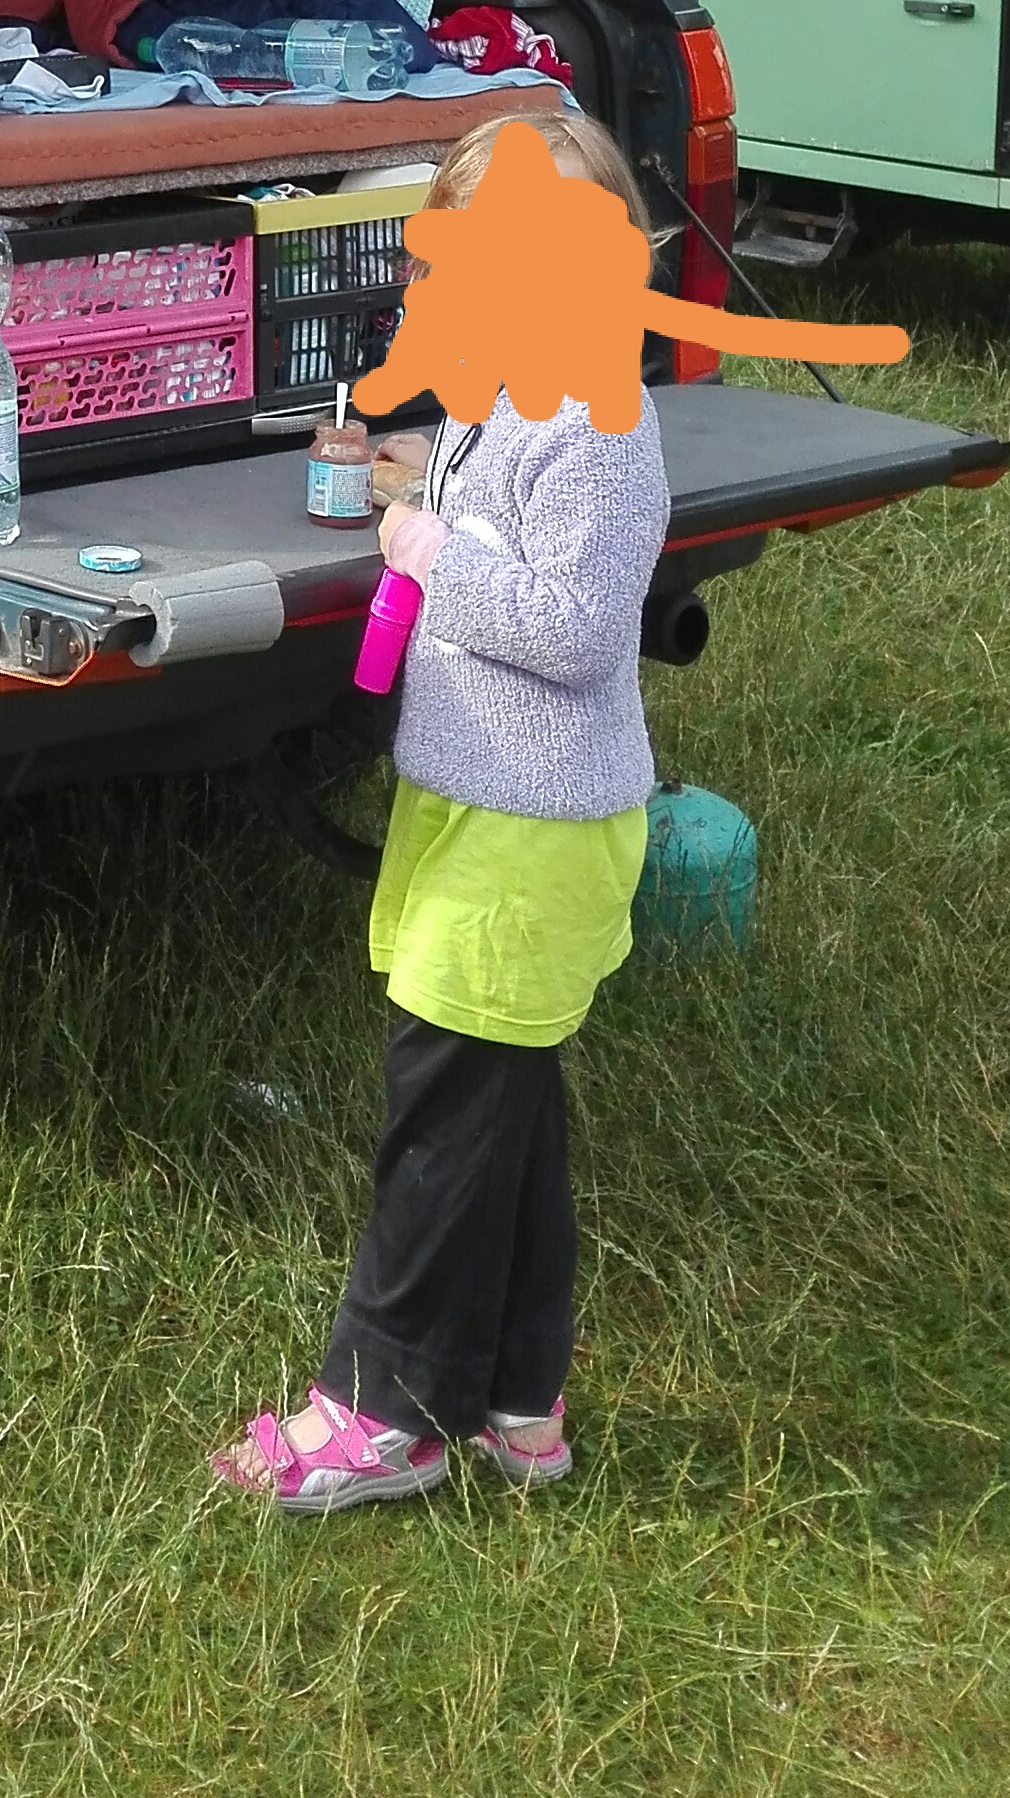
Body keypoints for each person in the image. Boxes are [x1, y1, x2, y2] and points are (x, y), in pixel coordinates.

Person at [212, 110, 671, 1511]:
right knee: (503, 1109)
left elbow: (579, 628)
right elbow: (493, 517)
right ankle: (519, 1400)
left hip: (534, 831)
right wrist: (419, 486)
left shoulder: (598, 420)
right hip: (480, 807)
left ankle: (382, 1412)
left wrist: (423, 546)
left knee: (442, 1120)